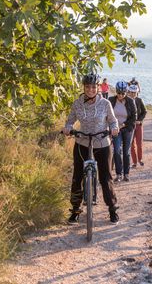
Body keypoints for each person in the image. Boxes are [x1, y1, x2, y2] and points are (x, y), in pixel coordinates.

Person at [63, 73, 120, 225]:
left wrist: (114, 129)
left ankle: (112, 209)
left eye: (94, 87)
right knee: (77, 177)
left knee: (105, 177)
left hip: (102, 142)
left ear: (98, 88)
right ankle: (75, 210)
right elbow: (70, 121)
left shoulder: (105, 104)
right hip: (82, 142)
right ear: (84, 87)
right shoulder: (77, 103)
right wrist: (67, 128)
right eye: (88, 87)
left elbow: (113, 121)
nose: (90, 89)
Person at [109, 81, 137, 182]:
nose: (121, 95)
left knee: (126, 151)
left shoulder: (130, 101)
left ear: (126, 92)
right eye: (119, 93)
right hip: (115, 129)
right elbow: (107, 115)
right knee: (116, 150)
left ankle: (126, 174)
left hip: (127, 128)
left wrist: (123, 125)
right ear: (116, 92)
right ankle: (118, 174)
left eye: (123, 93)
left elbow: (134, 117)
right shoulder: (111, 100)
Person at [127, 84, 147, 168]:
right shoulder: (126, 101)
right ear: (128, 92)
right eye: (131, 92)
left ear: (137, 92)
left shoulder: (139, 100)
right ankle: (134, 162)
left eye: (134, 92)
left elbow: (144, 111)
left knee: (139, 143)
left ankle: (140, 159)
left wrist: (140, 120)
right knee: (132, 144)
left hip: (138, 125)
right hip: (130, 126)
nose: (133, 94)